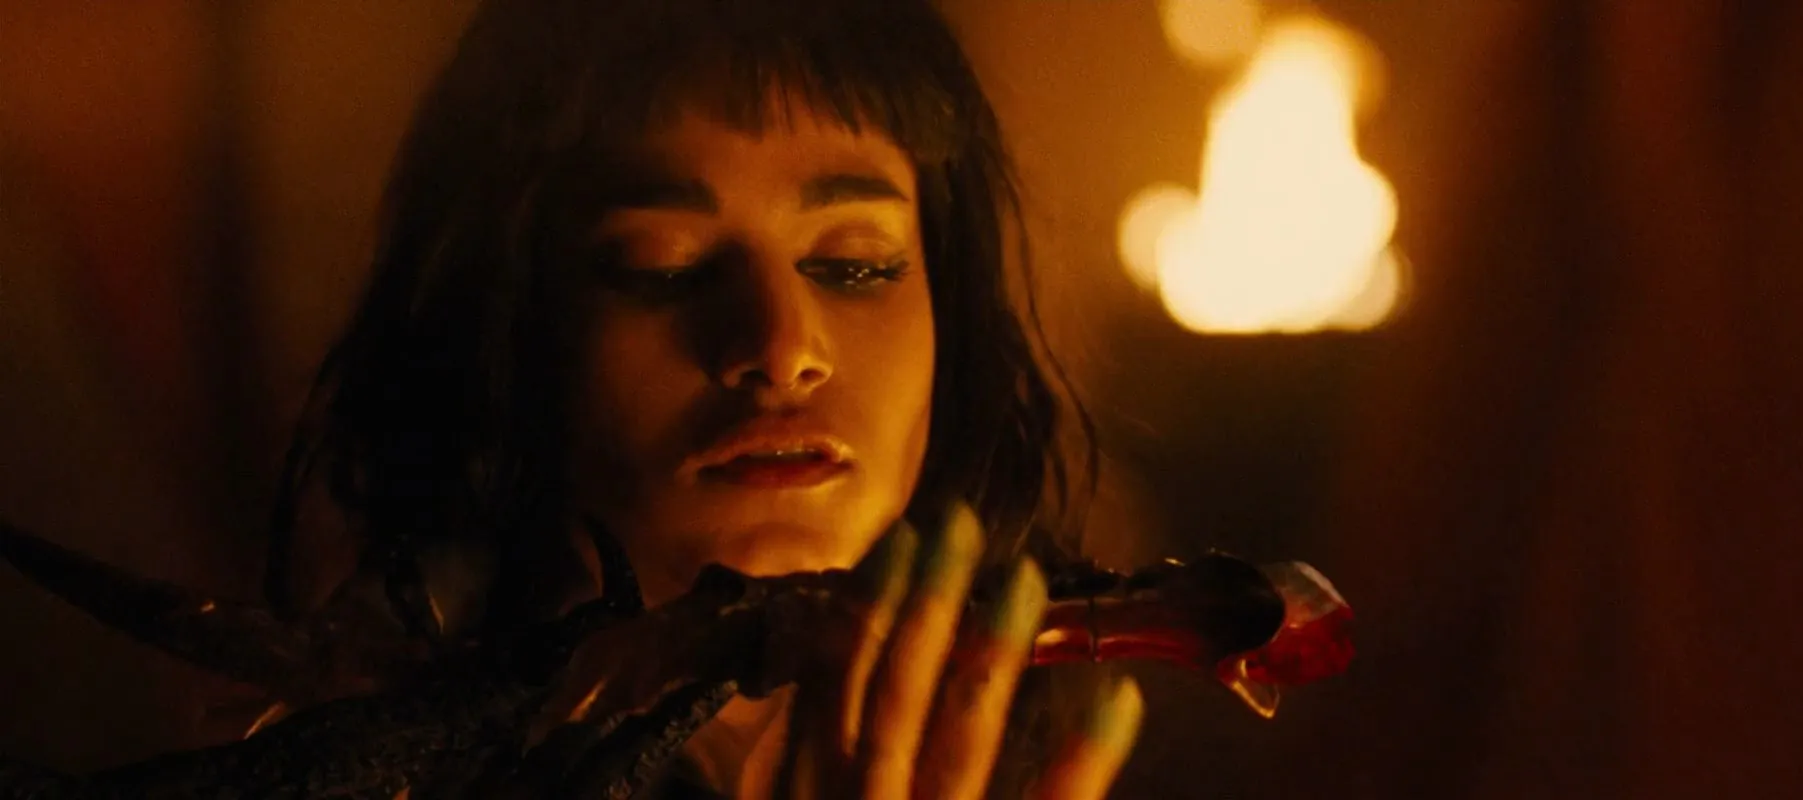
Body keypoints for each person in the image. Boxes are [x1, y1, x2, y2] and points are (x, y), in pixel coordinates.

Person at [253, 0, 1141, 796]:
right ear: (505, 324)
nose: (782, 349)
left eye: (856, 266)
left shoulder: (1080, 738)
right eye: (665, 268)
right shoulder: (342, 763)